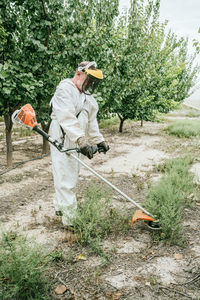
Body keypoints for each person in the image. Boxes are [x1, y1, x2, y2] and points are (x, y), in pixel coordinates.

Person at [49, 61, 109, 226]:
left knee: (71, 175)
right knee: (64, 175)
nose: (90, 84)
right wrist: (81, 140)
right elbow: (66, 117)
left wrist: (99, 140)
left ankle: (61, 207)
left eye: (92, 82)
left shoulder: (87, 98)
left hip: (76, 139)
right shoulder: (65, 89)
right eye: (88, 80)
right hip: (62, 137)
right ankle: (70, 220)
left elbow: (92, 121)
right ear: (79, 74)